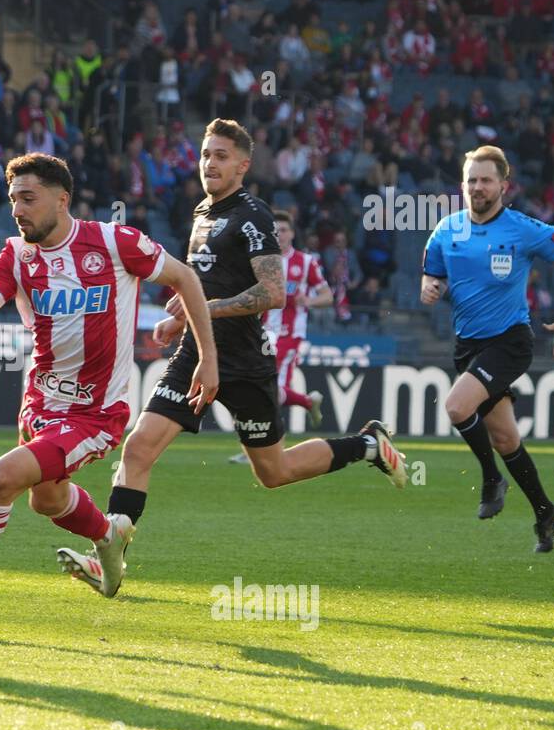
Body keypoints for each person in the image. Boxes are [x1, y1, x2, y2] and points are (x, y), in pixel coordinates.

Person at [64, 120, 406, 597]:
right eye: (206, 154)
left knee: (274, 473)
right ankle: (111, 555)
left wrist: (202, 308)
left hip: (246, 363)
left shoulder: (254, 216)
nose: (210, 163)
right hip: (197, 353)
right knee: (138, 448)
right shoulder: (203, 213)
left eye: (222, 155)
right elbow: (202, 289)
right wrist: (182, 321)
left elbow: (273, 293)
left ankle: (368, 446)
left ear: (243, 165)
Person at [0, 152, 218, 614]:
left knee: (3, 479)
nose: (17, 209)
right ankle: (108, 535)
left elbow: (186, 278)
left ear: (62, 200)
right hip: (39, 407)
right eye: (12, 199)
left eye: (28, 198)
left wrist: (207, 360)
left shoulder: (114, 243)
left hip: (95, 414)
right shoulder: (17, 257)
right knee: (47, 501)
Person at [421, 145, 554, 551]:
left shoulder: (523, 228)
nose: (477, 187)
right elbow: (433, 276)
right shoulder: (446, 230)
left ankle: (492, 479)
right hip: (468, 347)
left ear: (503, 186)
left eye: (486, 180)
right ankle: (547, 512)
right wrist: (430, 287)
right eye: (471, 180)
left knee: (456, 407)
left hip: (509, 342)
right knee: (506, 439)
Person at [231, 210, 332, 466]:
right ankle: (307, 402)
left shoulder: (305, 262)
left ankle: (267, 449)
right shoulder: (263, 261)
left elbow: (327, 295)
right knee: (257, 387)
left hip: (290, 335)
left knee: (271, 390)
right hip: (261, 333)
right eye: (275, 230)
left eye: (284, 230)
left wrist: (308, 300)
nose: (280, 234)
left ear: (293, 233)